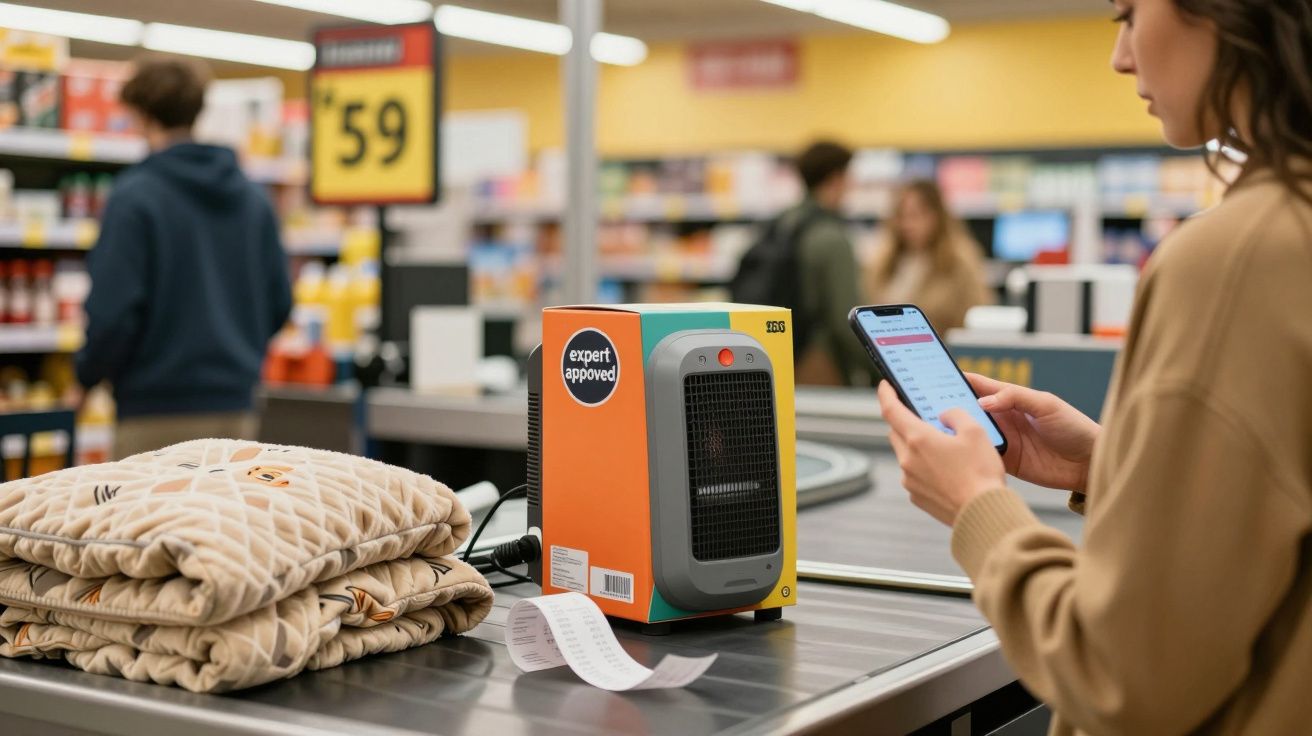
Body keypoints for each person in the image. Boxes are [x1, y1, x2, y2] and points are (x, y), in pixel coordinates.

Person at [877, 1, 1312, 733]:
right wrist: (1115, 466)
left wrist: (977, 508)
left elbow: (1126, 677)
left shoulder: (1235, 258)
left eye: (1131, 13)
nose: (1120, 55)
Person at [77, 58, 292, 459]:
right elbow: (280, 302)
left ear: (141, 115)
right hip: (236, 408)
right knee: (227, 519)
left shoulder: (134, 197)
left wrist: (86, 375)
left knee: (150, 520)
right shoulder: (252, 198)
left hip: (153, 410)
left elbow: (113, 312)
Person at [782, 141, 875, 386]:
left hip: (782, 355)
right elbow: (846, 320)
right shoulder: (832, 238)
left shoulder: (784, 222)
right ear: (836, 177)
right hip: (820, 363)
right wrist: (880, 370)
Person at [865, 179, 992, 332]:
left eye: (916, 215)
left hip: (939, 352)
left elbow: (977, 315)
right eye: (902, 216)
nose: (908, 224)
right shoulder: (885, 260)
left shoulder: (959, 260)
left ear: (937, 216)